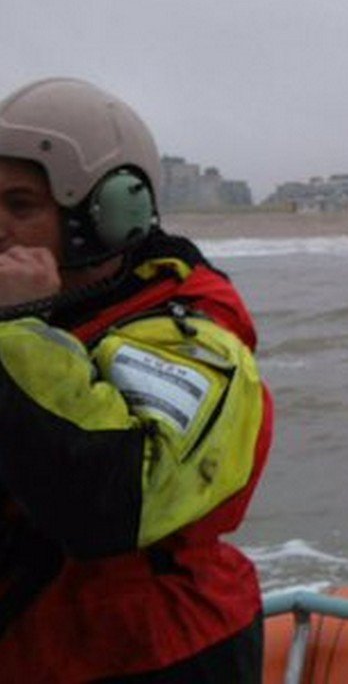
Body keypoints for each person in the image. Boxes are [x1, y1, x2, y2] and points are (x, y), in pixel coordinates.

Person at [0, 78, 273, 682]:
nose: (0, 228)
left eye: (21, 207)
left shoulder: (194, 336)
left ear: (109, 214)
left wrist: (19, 329)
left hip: (156, 654)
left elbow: (108, 504)